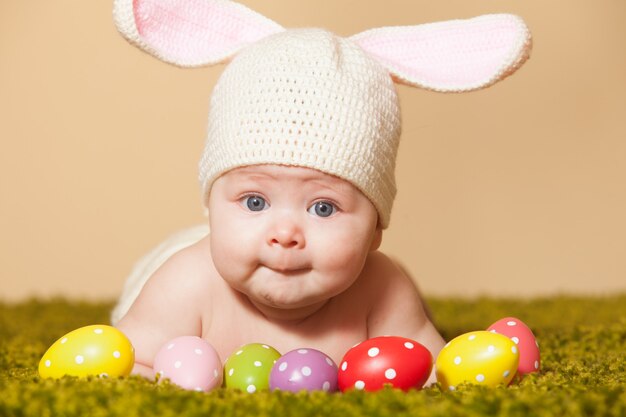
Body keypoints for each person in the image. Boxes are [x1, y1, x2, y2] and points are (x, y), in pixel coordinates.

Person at [110, 0, 532, 387]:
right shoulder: (184, 285)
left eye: (324, 207)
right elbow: (126, 362)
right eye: (254, 202)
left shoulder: (383, 290)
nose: (285, 233)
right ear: (211, 207)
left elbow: (432, 371)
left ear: (375, 231)